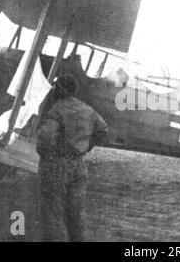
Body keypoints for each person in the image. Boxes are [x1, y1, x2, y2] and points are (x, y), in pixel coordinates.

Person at [36, 74, 109, 242]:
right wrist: (87, 146)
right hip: (79, 165)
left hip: (57, 164)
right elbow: (103, 129)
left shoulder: (57, 109)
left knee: (53, 213)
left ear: (58, 90)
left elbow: (46, 137)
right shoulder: (88, 110)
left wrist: (46, 155)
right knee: (75, 214)